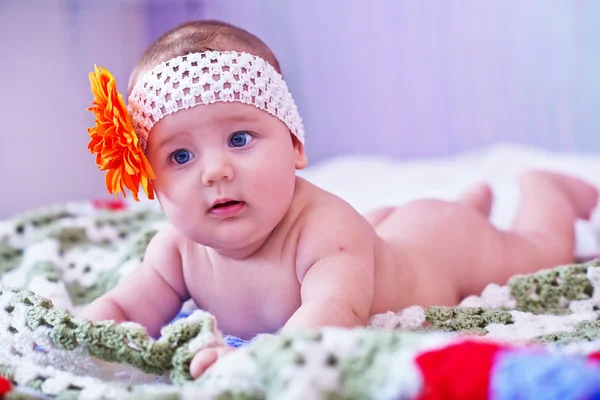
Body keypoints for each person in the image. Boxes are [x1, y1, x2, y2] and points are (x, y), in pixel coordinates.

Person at [81, 20, 598, 378]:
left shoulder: (324, 232)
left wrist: (256, 365)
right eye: (180, 157)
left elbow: (330, 315)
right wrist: (86, 331)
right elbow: (125, 306)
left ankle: (543, 188)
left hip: (441, 248)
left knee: (534, 251)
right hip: (382, 235)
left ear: (296, 144)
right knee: (378, 234)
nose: (215, 170)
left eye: (240, 139)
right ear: (149, 177)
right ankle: (470, 200)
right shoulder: (175, 251)